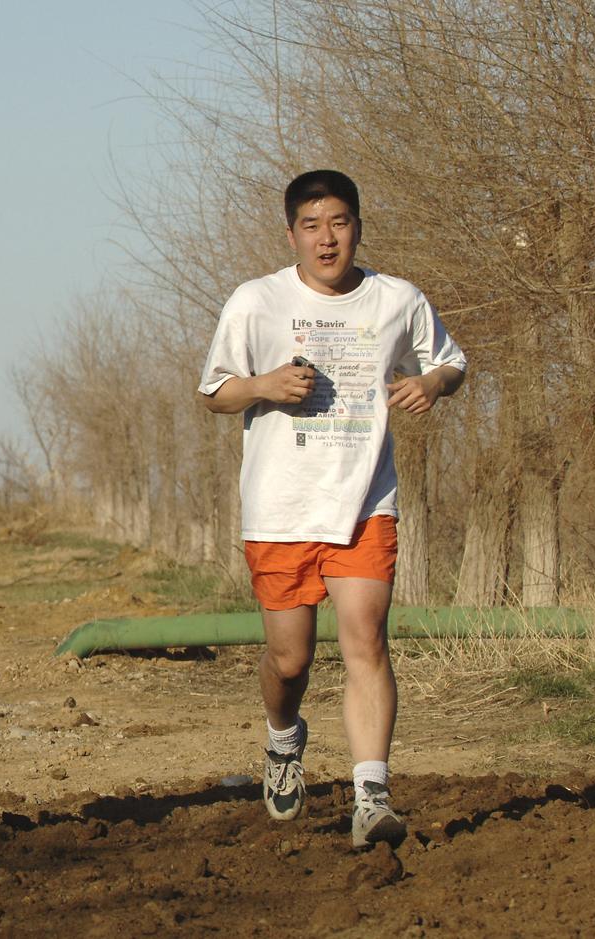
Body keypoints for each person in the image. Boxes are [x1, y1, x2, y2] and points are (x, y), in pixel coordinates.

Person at [197, 170, 465, 849]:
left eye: (339, 223)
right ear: (291, 234)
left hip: (363, 501)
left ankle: (372, 795)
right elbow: (215, 392)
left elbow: (452, 361)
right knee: (290, 660)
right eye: (312, 226)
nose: (327, 238)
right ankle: (283, 737)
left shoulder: (397, 300)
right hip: (281, 506)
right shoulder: (256, 302)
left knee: (366, 638)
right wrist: (265, 384)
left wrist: (430, 382)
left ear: (357, 227)